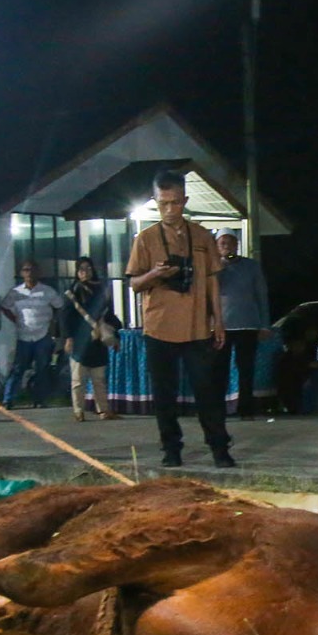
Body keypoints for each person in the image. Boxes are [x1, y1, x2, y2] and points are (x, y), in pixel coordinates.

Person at [126, 169, 233, 467]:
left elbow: (213, 279)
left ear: (184, 200)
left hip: (198, 327)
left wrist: (218, 320)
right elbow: (134, 283)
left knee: (207, 392)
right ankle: (171, 450)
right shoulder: (145, 239)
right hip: (159, 327)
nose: (170, 210)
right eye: (163, 204)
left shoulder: (200, 235)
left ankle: (219, 448)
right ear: (156, 203)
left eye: (175, 203)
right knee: (164, 395)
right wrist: (156, 274)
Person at [214, 229, 270, 420]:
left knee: (246, 369)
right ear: (216, 246)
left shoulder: (251, 266)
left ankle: (246, 409)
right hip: (221, 327)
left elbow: (261, 295)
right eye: (223, 243)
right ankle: (217, 409)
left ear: (237, 245)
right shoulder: (212, 268)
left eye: (230, 243)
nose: (227, 247)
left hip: (247, 324)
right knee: (218, 370)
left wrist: (265, 325)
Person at [0, 261, 65, 408]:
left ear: (38, 272)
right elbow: (4, 306)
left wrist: (52, 324)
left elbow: (60, 307)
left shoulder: (47, 291)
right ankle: (8, 399)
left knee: (42, 369)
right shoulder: (16, 292)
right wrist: (15, 319)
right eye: (26, 270)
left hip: (42, 336)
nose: (29, 273)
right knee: (17, 369)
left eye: (32, 270)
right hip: (23, 336)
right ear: (22, 273)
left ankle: (40, 399)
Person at [64, 256, 121, 422]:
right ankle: (78, 411)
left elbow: (109, 315)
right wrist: (68, 338)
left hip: (97, 342)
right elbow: (66, 317)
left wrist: (114, 335)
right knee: (78, 380)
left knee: (99, 379)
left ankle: (104, 410)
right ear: (77, 272)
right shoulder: (72, 292)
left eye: (88, 268)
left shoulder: (101, 291)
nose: (85, 272)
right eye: (82, 269)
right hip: (81, 341)